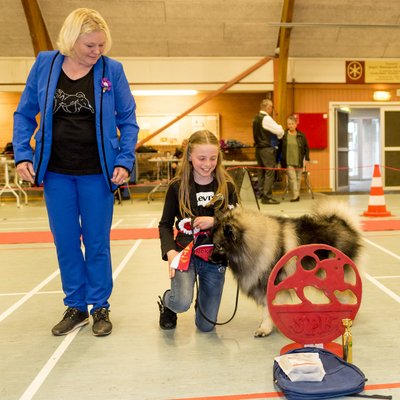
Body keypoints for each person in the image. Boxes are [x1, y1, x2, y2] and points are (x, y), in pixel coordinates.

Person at [13, 8, 139, 337]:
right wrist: (22, 155)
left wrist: (124, 161)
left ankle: (99, 307)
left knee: (96, 243)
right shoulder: (45, 64)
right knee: (66, 242)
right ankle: (75, 306)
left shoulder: (113, 70)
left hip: (98, 174)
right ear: (71, 41)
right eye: (90, 47)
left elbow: (128, 121)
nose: (97, 53)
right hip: (56, 173)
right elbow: (24, 114)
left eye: (101, 46)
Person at [158, 130, 239, 332]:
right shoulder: (177, 187)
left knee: (206, 326)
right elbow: (165, 225)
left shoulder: (227, 186)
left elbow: (239, 220)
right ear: (189, 157)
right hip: (186, 255)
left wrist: (214, 221)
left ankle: (201, 302)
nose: (207, 164)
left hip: (215, 258)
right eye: (201, 158)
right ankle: (168, 304)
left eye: (213, 158)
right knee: (181, 303)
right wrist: (171, 253)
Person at [252, 98, 284, 204]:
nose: (272, 109)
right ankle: (267, 196)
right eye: (272, 107)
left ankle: (261, 194)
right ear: (268, 107)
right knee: (270, 172)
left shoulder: (255, 118)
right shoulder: (266, 118)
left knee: (261, 172)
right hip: (267, 149)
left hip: (258, 149)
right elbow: (280, 131)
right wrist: (280, 129)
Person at [280, 115, 310, 202]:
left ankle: (296, 195)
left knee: (298, 179)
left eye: (292, 124)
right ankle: (295, 196)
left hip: (299, 161)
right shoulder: (284, 136)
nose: (290, 125)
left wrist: (307, 158)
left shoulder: (301, 135)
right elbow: (280, 148)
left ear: (296, 124)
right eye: (289, 124)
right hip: (288, 161)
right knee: (292, 179)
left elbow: (306, 147)